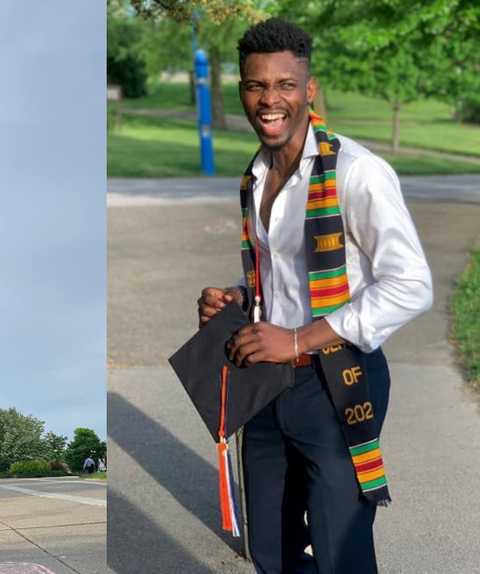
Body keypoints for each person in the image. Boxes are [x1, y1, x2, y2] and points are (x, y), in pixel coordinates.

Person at [197, 19, 432, 573]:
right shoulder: (255, 175)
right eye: (257, 86)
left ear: (309, 89)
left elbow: (411, 284)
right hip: (267, 385)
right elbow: (281, 279)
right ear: (242, 92)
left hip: (337, 381)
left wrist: (299, 337)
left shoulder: (357, 172)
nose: (269, 99)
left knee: (339, 551)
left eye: (284, 84)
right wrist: (235, 300)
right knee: (272, 551)